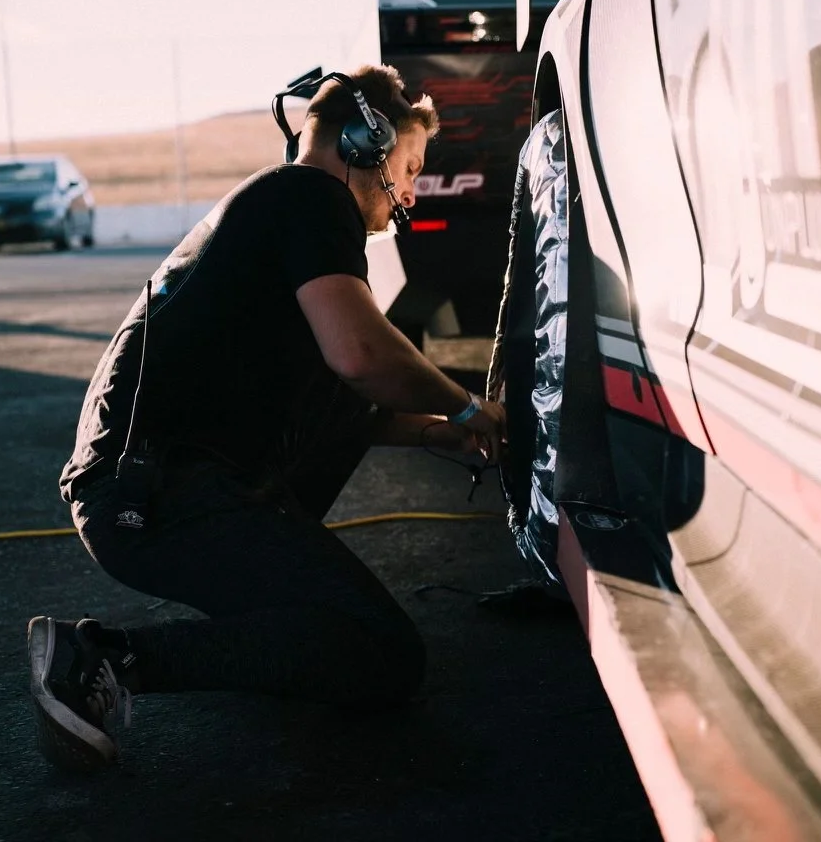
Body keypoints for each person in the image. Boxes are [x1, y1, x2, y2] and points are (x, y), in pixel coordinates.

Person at [27, 64, 507, 772]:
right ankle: (101, 657)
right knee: (384, 655)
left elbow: (340, 397)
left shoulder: (276, 209)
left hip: (148, 486)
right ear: (362, 143)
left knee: (325, 639)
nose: (410, 191)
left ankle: (270, 631)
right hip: (161, 497)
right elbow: (361, 354)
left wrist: (432, 430)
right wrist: (468, 405)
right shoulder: (312, 201)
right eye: (407, 167)